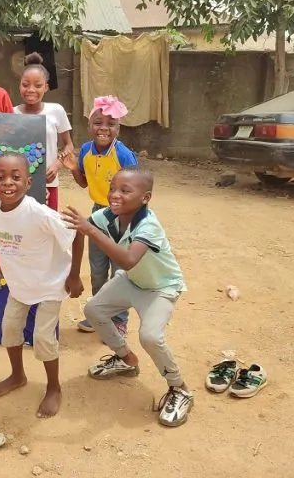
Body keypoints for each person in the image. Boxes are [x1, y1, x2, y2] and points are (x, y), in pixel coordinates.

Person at [61, 167, 193, 427]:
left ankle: (180, 388)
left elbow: (129, 260)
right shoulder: (107, 216)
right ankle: (125, 359)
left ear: (145, 198)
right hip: (132, 281)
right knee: (94, 310)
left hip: (161, 288)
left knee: (150, 337)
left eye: (125, 190)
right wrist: (74, 274)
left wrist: (91, 231)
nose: (115, 195)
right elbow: (79, 230)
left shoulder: (148, 225)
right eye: (113, 188)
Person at [0, 152, 85, 418]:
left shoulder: (40, 214)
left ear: (28, 183)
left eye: (16, 177)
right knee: (9, 329)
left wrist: (74, 276)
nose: (8, 182)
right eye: (0, 177)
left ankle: (53, 387)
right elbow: (3, 241)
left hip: (50, 283)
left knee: (43, 337)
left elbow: (77, 234)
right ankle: (17, 375)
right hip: (20, 284)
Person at [61, 96, 137, 334]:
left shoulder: (123, 155)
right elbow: (84, 183)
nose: (104, 128)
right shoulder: (86, 150)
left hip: (122, 216)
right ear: (89, 125)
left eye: (111, 124)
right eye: (98, 122)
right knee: (97, 268)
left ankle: (119, 320)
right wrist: (74, 169)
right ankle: (99, 315)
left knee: (119, 270)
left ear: (118, 129)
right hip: (98, 214)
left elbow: (136, 190)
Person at [14, 52, 73, 211]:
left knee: (47, 222)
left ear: (46, 87)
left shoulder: (56, 111)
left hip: (48, 182)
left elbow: (69, 145)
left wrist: (58, 164)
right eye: (25, 84)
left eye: (38, 85)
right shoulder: (11, 114)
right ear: (19, 85)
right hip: (18, 185)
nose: (31, 90)